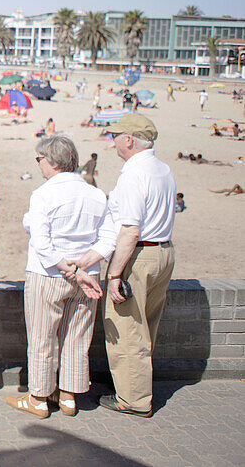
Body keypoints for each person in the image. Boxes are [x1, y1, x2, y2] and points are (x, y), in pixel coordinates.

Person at [7, 135, 114, 420]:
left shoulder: (44, 193)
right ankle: (68, 397)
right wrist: (85, 264)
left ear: (52, 162)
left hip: (50, 275)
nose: (38, 164)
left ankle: (39, 398)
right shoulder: (96, 193)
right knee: (77, 338)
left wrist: (71, 269)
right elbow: (108, 238)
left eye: (39, 159)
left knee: (42, 337)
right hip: (87, 277)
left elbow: (43, 246)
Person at [99, 113, 176, 417]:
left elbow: (130, 230)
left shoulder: (134, 173)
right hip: (164, 252)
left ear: (128, 139)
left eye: (115, 135)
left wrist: (115, 275)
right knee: (147, 327)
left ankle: (132, 399)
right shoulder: (163, 170)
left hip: (141, 256)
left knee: (127, 329)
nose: (113, 141)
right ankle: (135, 386)